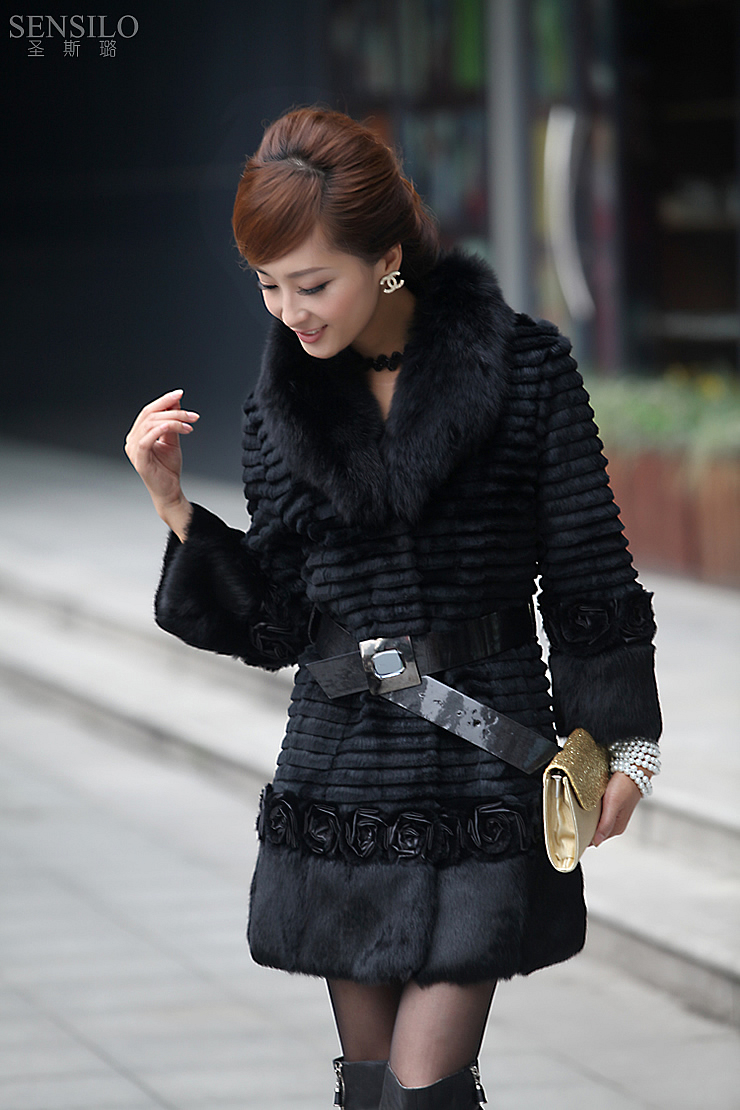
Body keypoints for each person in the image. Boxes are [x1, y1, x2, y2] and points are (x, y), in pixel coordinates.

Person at [125, 107, 662, 1110]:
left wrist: (623, 739)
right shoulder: (280, 407)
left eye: (311, 283)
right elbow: (279, 619)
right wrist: (175, 510)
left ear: (385, 259)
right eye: (267, 285)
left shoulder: (526, 368)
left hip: (488, 762)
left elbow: (588, 566)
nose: (289, 312)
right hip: (342, 778)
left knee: (424, 1092)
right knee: (370, 1091)